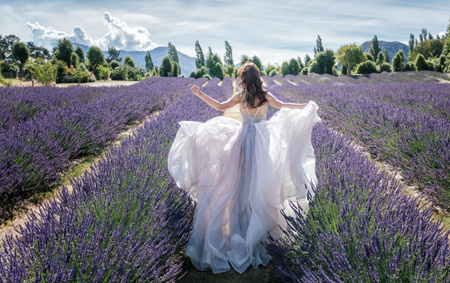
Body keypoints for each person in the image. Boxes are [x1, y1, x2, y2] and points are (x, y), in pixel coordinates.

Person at [168, 62, 321, 274]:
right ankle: (256, 229)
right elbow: (284, 106)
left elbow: (220, 107)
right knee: (258, 183)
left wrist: (199, 94)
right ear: (257, 77)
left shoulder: (241, 96)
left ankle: (238, 225)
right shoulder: (265, 95)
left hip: (241, 142)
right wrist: (306, 106)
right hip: (260, 143)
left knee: (238, 183)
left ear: (243, 78)